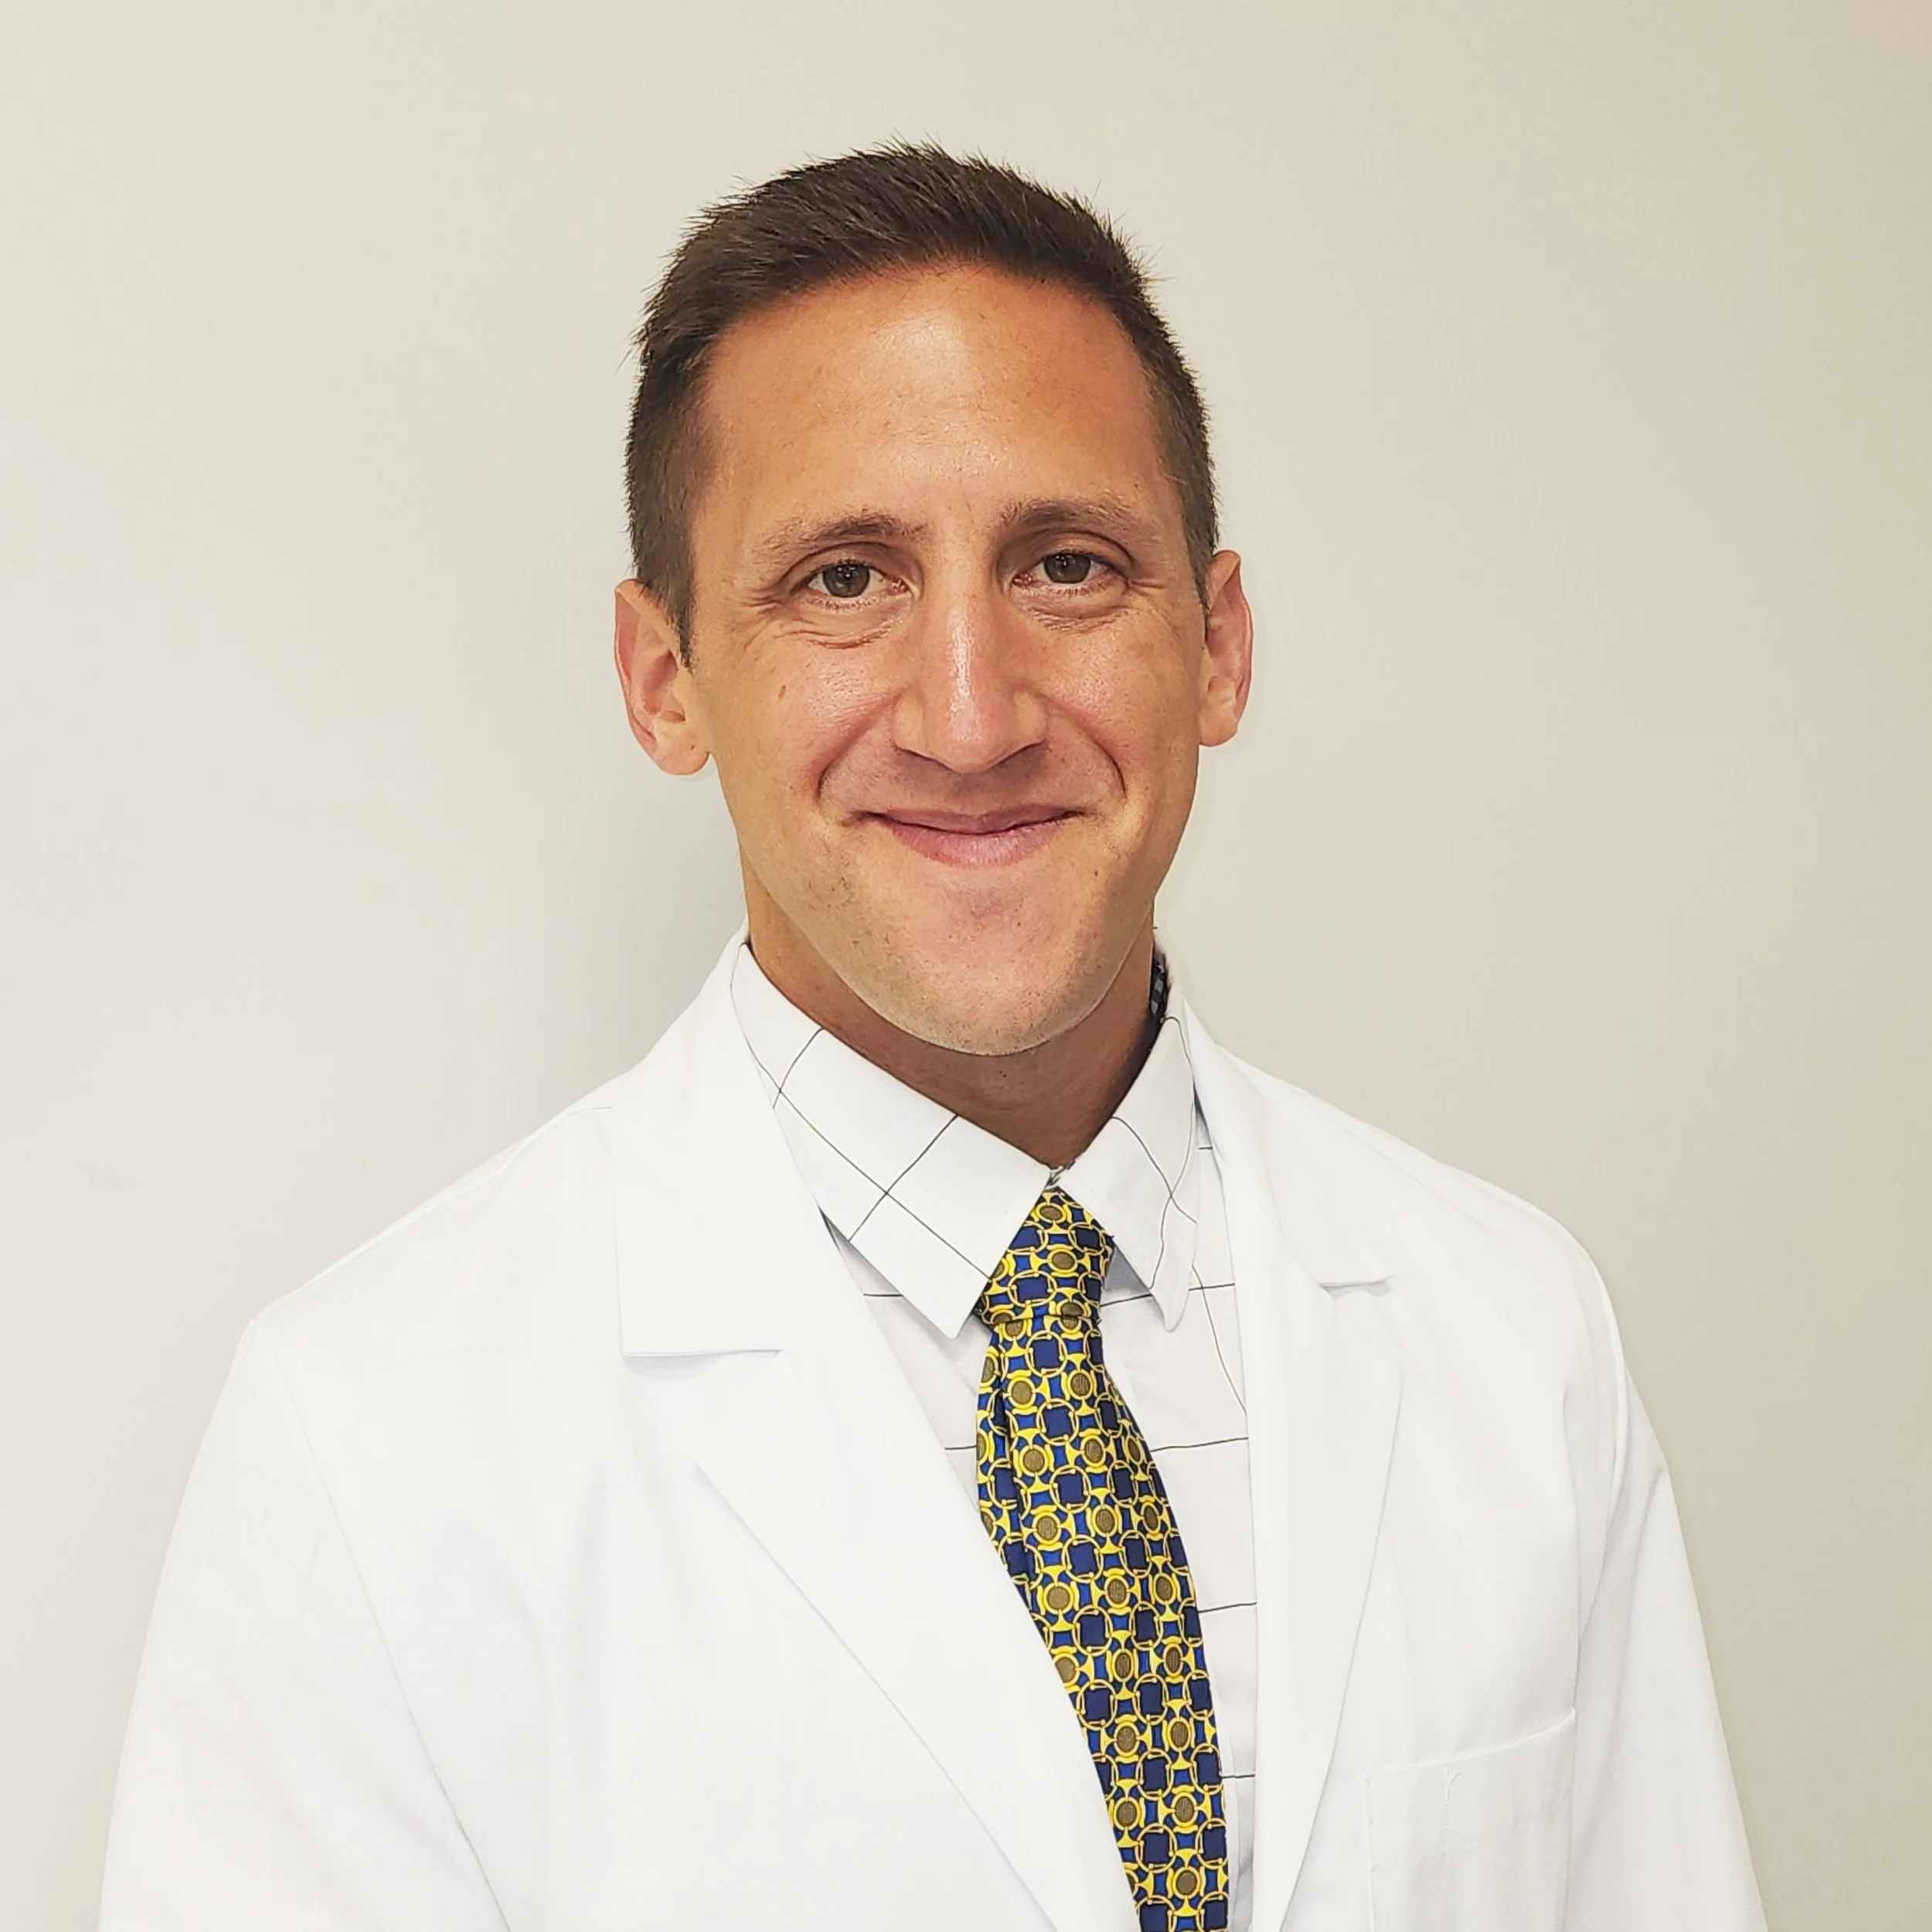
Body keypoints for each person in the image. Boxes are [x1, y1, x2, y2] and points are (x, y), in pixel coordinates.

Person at [100, 145, 1765, 1932]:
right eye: (841, 579)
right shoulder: (374, 1439)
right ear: (664, 678)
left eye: (1066, 564)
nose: (971, 718)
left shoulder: (1512, 1335)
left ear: (1215, 645)